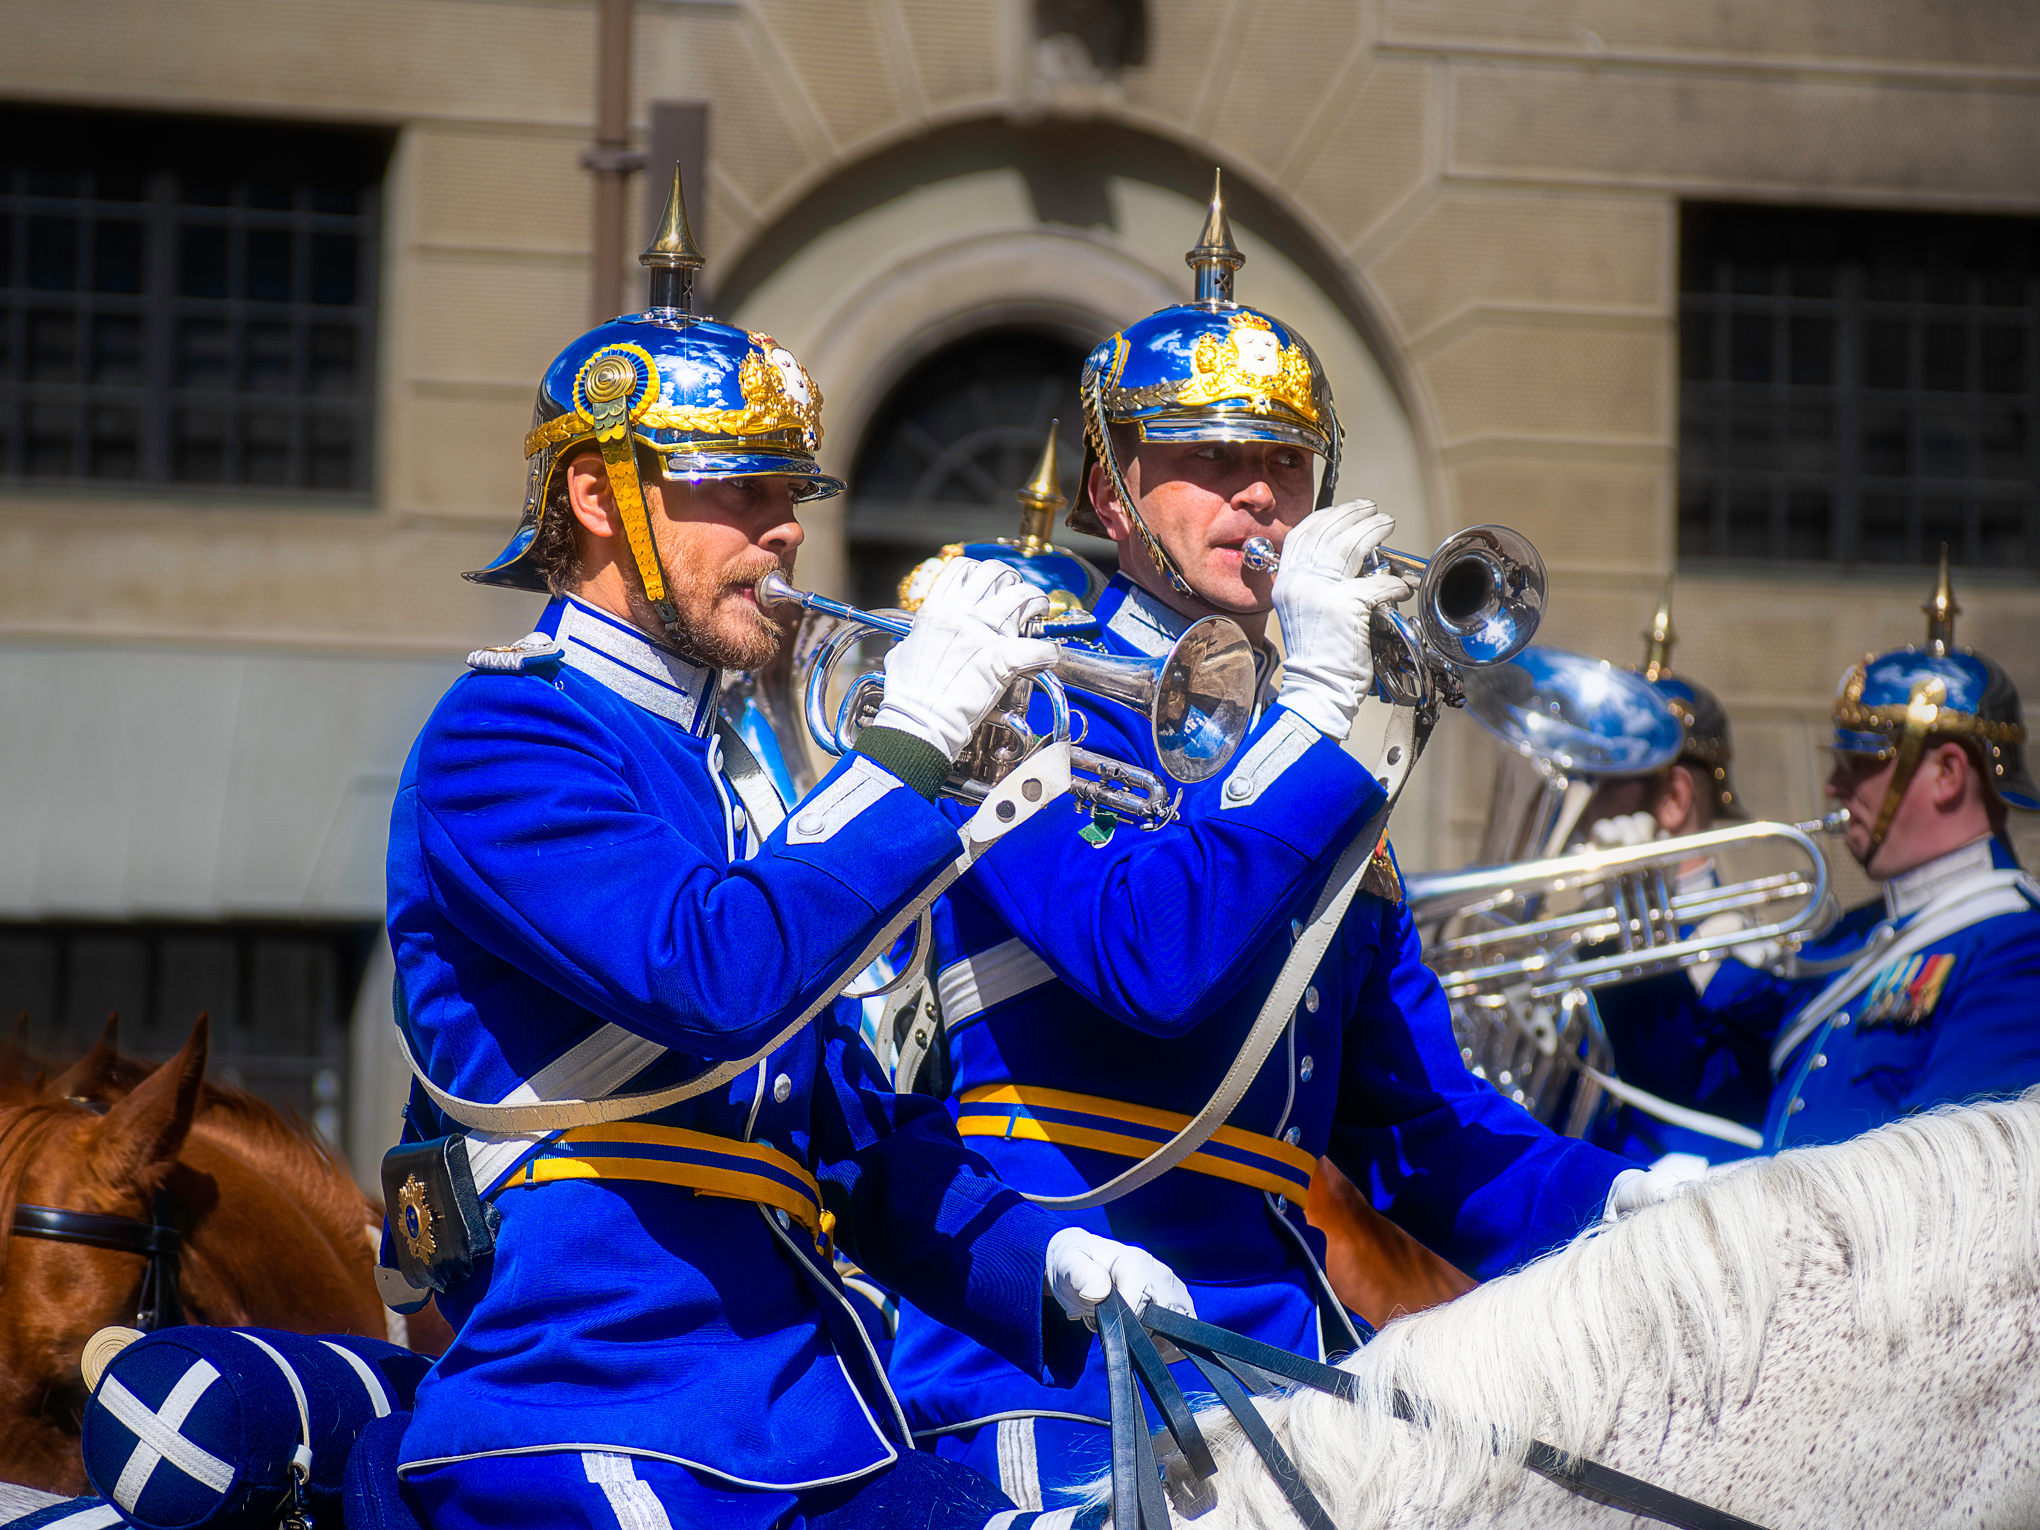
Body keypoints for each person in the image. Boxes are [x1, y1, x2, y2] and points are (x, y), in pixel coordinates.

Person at [378, 172, 1190, 1530]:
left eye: (793, 491)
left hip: (801, 1417)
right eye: (739, 491)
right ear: (594, 495)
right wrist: (913, 744)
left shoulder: (735, 788)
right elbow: (712, 970)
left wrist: (1046, 1256)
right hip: (595, 1402)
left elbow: (846, 1150)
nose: (786, 531)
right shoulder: (505, 734)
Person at [883, 174, 1633, 1511]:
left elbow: (1426, 1130)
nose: (1257, 500)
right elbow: (1149, 962)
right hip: (1054, 1366)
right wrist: (1318, 712)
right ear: (1114, 499)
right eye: (1207, 462)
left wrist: (1634, 1207)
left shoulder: (1318, 766)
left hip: (1280, 1372)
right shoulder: (1021, 696)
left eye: (1281, 463)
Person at [1634, 552, 2040, 1153]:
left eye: (1861, 764)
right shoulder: (1859, 933)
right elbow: (1720, 1065)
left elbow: (1946, 1175)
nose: (1833, 787)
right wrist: (1666, 890)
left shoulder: (2015, 946)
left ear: (1948, 774)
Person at [1566, 582, 1778, 1166]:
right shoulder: (1576, 926)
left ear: (1673, 800)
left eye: (1603, 781)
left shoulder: (1742, 951)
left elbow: (1688, 1098)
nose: (1582, 807)